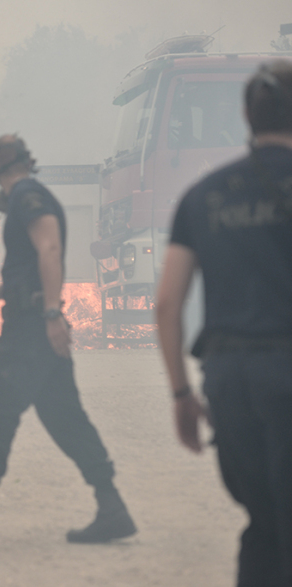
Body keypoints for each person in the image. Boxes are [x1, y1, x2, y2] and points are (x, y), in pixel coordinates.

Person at [0, 135, 136, 547]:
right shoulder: (28, 196)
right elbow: (27, 270)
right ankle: (113, 507)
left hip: (32, 328)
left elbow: (49, 250)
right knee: (66, 418)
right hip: (36, 319)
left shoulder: (27, 197)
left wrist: (52, 314)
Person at [156, 60, 292, 587]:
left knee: (262, 523)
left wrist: (180, 395)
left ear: (245, 115)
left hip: (229, 380)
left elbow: (167, 303)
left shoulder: (202, 196)